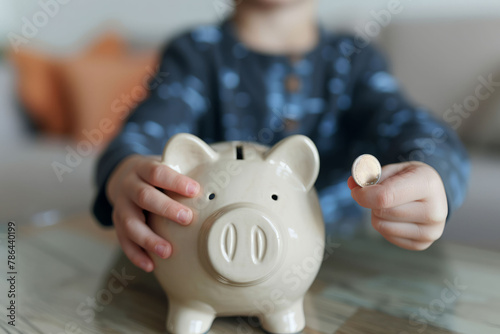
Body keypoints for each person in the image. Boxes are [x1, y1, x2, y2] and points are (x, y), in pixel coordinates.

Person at [93, 0, 469, 272]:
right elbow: (139, 139)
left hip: (342, 269)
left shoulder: (354, 60)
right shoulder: (195, 54)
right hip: (205, 272)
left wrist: (433, 174)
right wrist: (125, 173)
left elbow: (421, 130)